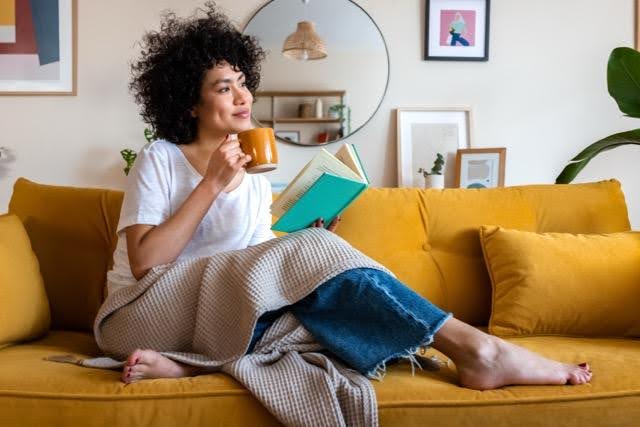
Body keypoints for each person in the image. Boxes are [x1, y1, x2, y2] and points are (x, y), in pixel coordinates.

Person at [106, 3, 592, 390]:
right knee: (317, 301)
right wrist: (211, 184)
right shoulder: (161, 159)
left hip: (215, 315)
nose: (243, 97)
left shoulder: (254, 177)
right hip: (141, 313)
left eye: (244, 83)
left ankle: (192, 366)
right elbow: (147, 263)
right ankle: (480, 349)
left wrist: (305, 240)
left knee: (323, 311)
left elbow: (252, 265)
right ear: (190, 103)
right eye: (224, 87)